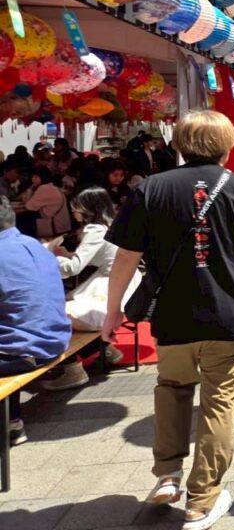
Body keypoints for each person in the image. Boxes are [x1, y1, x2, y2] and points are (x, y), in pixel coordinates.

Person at [102, 110, 234, 530]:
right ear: (228, 144)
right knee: (219, 402)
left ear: (180, 144)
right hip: (227, 316)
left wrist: (113, 310)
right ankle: (202, 500)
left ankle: (168, 475)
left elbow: (125, 257)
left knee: (172, 389)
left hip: (172, 315)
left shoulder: (150, 189)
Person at [41, 187, 141, 391]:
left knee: (53, 315)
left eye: (76, 207)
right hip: (122, 281)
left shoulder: (95, 230)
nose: (73, 212)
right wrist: (67, 255)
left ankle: (71, 367)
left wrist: (47, 256)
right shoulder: (112, 223)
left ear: (88, 208)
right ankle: (103, 349)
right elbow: (94, 257)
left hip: (107, 286)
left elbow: (73, 268)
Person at [0, 196, 71, 446]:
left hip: (22, 350)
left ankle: (10, 423)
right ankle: (11, 420)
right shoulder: (34, 245)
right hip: (55, 339)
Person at [16, 166, 71, 239]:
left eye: (36, 177)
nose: (32, 179)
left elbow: (28, 206)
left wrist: (30, 189)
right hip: (61, 226)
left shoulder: (44, 188)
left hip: (55, 227)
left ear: (43, 177)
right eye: (32, 177)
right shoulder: (52, 187)